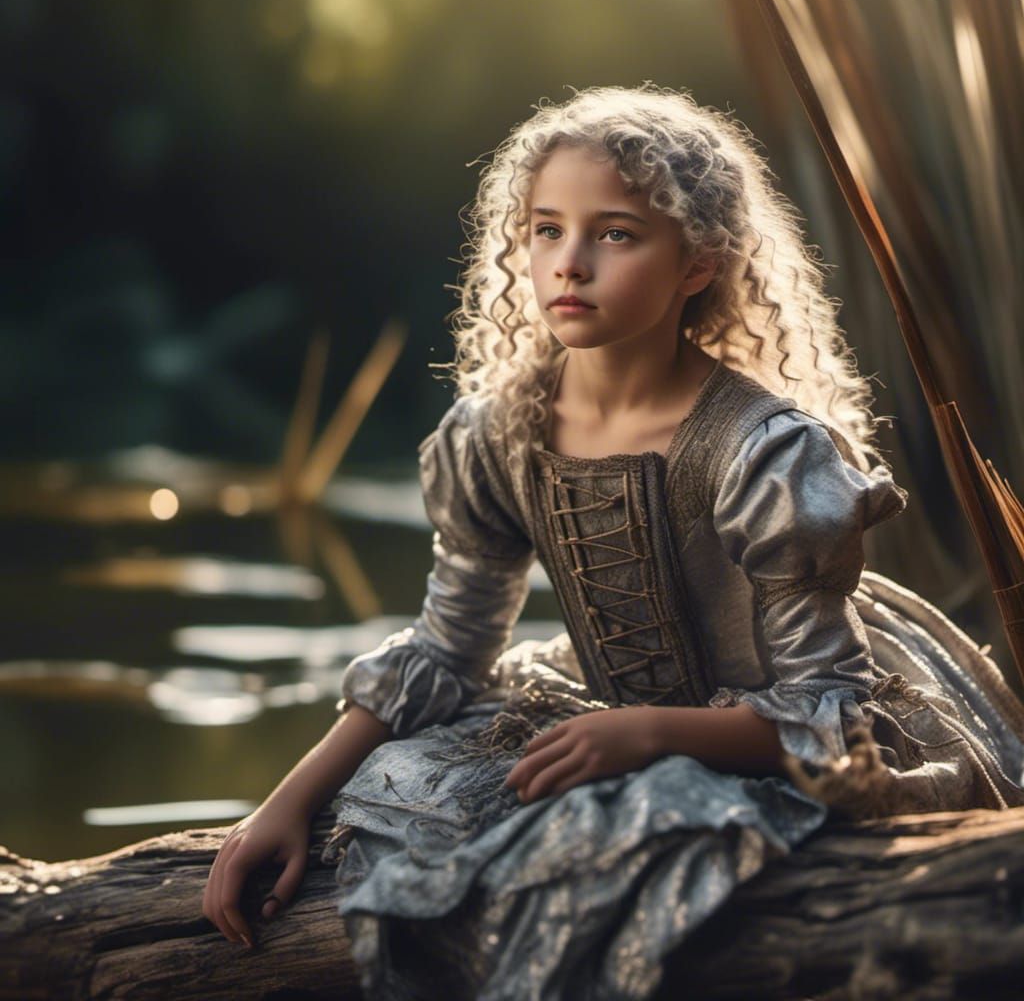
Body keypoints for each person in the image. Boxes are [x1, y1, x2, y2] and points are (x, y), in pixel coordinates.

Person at [202, 84, 1024, 999]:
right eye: (547, 229)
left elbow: (830, 714)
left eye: (616, 233)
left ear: (699, 264)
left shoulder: (765, 453)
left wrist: (645, 734)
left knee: (630, 833)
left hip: (777, 723)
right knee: (402, 782)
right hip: (607, 710)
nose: (569, 265)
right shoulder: (499, 432)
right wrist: (287, 801)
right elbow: (449, 647)